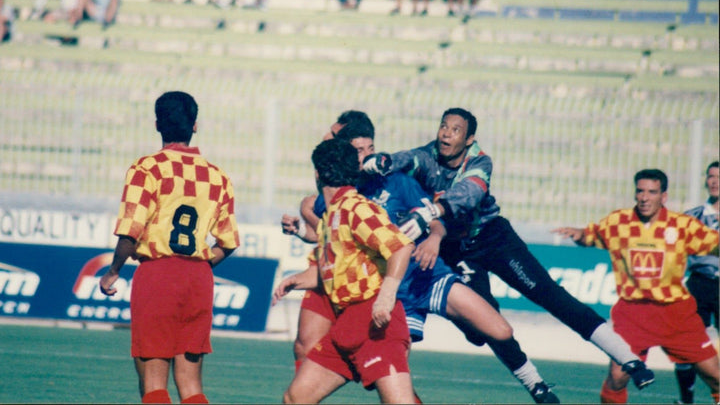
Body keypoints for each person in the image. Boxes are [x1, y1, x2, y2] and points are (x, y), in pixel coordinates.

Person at [364, 108, 658, 397]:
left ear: (469, 139)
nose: (446, 133)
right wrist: (382, 159)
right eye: (444, 126)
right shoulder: (426, 156)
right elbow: (404, 159)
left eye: (455, 129)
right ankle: (534, 381)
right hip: (456, 251)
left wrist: (430, 212)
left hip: (493, 238)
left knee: (550, 295)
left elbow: (469, 193)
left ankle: (626, 359)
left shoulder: (480, 161)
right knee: (483, 329)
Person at [284, 117, 559, 403]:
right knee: (382, 381)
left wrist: (434, 239)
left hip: (422, 278)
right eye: (358, 151)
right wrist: (302, 239)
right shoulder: (339, 203)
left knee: (499, 330)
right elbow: (331, 237)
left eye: (370, 148)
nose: (366, 156)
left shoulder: (392, 185)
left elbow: (426, 225)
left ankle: (534, 382)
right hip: (392, 299)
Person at [99, 91, 240, 405]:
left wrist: (113, 271)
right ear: (195, 126)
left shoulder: (147, 169)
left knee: (153, 384)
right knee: (191, 385)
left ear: (157, 125)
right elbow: (228, 242)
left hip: (159, 275)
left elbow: (130, 232)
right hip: (199, 279)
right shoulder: (218, 177)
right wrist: (201, 265)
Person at [554, 169, 719, 404]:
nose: (644, 197)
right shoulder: (619, 222)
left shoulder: (682, 226)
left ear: (664, 196)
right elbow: (592, 236)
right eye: (640, 191)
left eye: (651, 192)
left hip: (676, 313)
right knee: (617, 377)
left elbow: (714, 244)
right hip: (634, 313)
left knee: (714, 376)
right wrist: (578, 234)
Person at [272, 138, 416, 404]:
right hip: (346, 326)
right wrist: (296, 280)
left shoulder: (356, 207)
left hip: (376, 326)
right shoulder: (331, 215)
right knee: (295, 398)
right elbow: (334, 271)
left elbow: (401, 248)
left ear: (317, 173)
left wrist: (386, 295)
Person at [673, 161, 719, 404]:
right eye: (711, 176)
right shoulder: (692, 217)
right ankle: (686, 400)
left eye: (719, 177)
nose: (714, 181)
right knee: (685, 345)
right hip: (699, 284)